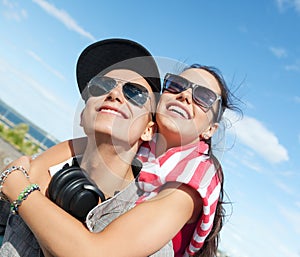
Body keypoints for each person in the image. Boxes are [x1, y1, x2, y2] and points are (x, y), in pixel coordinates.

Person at [1, 56, 241, 256]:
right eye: (176, 86)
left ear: (210, 129)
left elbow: (97, 253)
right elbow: (78, 147)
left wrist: (19, 188)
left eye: (204, 98)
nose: (185, 96)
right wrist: (34, 176)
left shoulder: (194, 180)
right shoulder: (145, 144)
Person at [0, 38, 162, 256]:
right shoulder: (28, 175)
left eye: (135, 93)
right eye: (101, 86)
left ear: (148, 130)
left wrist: (20, 189)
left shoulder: (150, 237)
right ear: (84, 115)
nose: (114, 94)